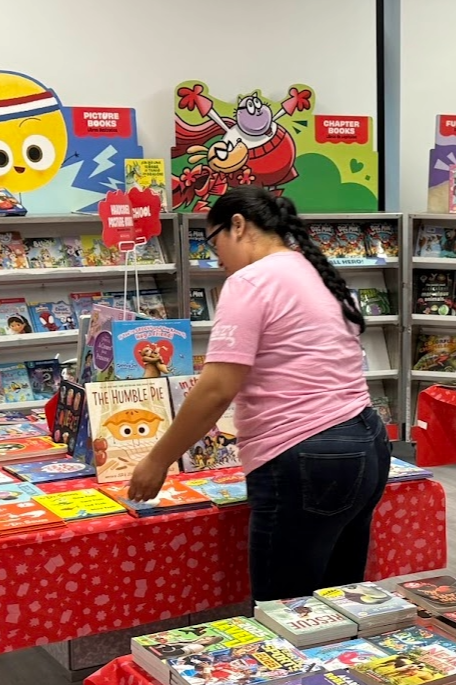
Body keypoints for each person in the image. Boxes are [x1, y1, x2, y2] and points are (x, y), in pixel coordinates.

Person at [128, 187, 390, 600]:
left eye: (214, 243)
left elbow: (217, 389)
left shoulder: (250, 280)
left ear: (238, 225)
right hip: (366, 439)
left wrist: (157, 460)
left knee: (283, 609)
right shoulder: (312, 269)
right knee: (340, 600)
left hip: (305, 452)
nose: (216, 258)